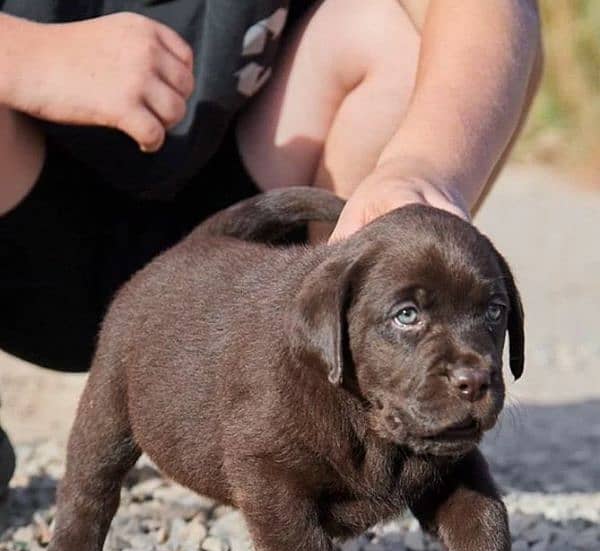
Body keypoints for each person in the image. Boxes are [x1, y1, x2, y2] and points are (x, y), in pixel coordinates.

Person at [0, 0, 542, 492]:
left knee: (406, 35)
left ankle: (337, 429)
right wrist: (23, 54)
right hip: (26, 232)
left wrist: (423, 166)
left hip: (255, 259)